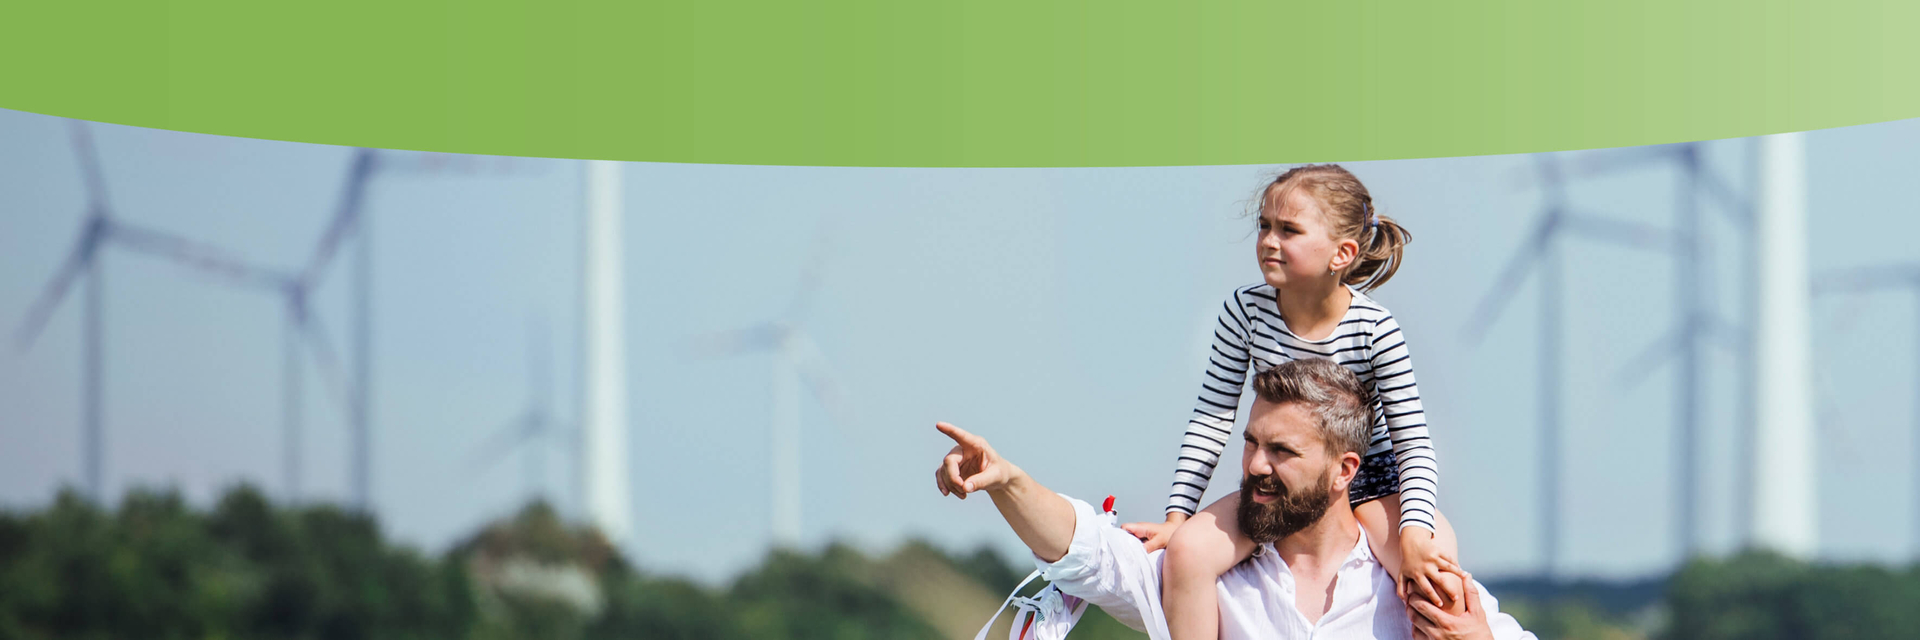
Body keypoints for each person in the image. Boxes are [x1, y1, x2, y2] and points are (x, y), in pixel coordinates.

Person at [934, 358, 1532, 640]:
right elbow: (1087, 552)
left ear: (1344, 470)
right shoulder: (1207, 566)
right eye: (1250, 443)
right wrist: (1009, 481)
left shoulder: (1411, 582)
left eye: (1283, 452)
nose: (1255, 467)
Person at [1119, 165, 1462, 640]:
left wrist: (1414, 532)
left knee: (1437, 572)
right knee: (1189, 553)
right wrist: (1178, 518)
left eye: (1289, 230)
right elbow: (1212, 419)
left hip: (1374, 480)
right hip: (1282, 482)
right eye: (1264, 225)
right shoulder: (1244, 311)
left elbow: (1413, 445)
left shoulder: (1375, 329)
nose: (1268, 240)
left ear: (1342, 254)